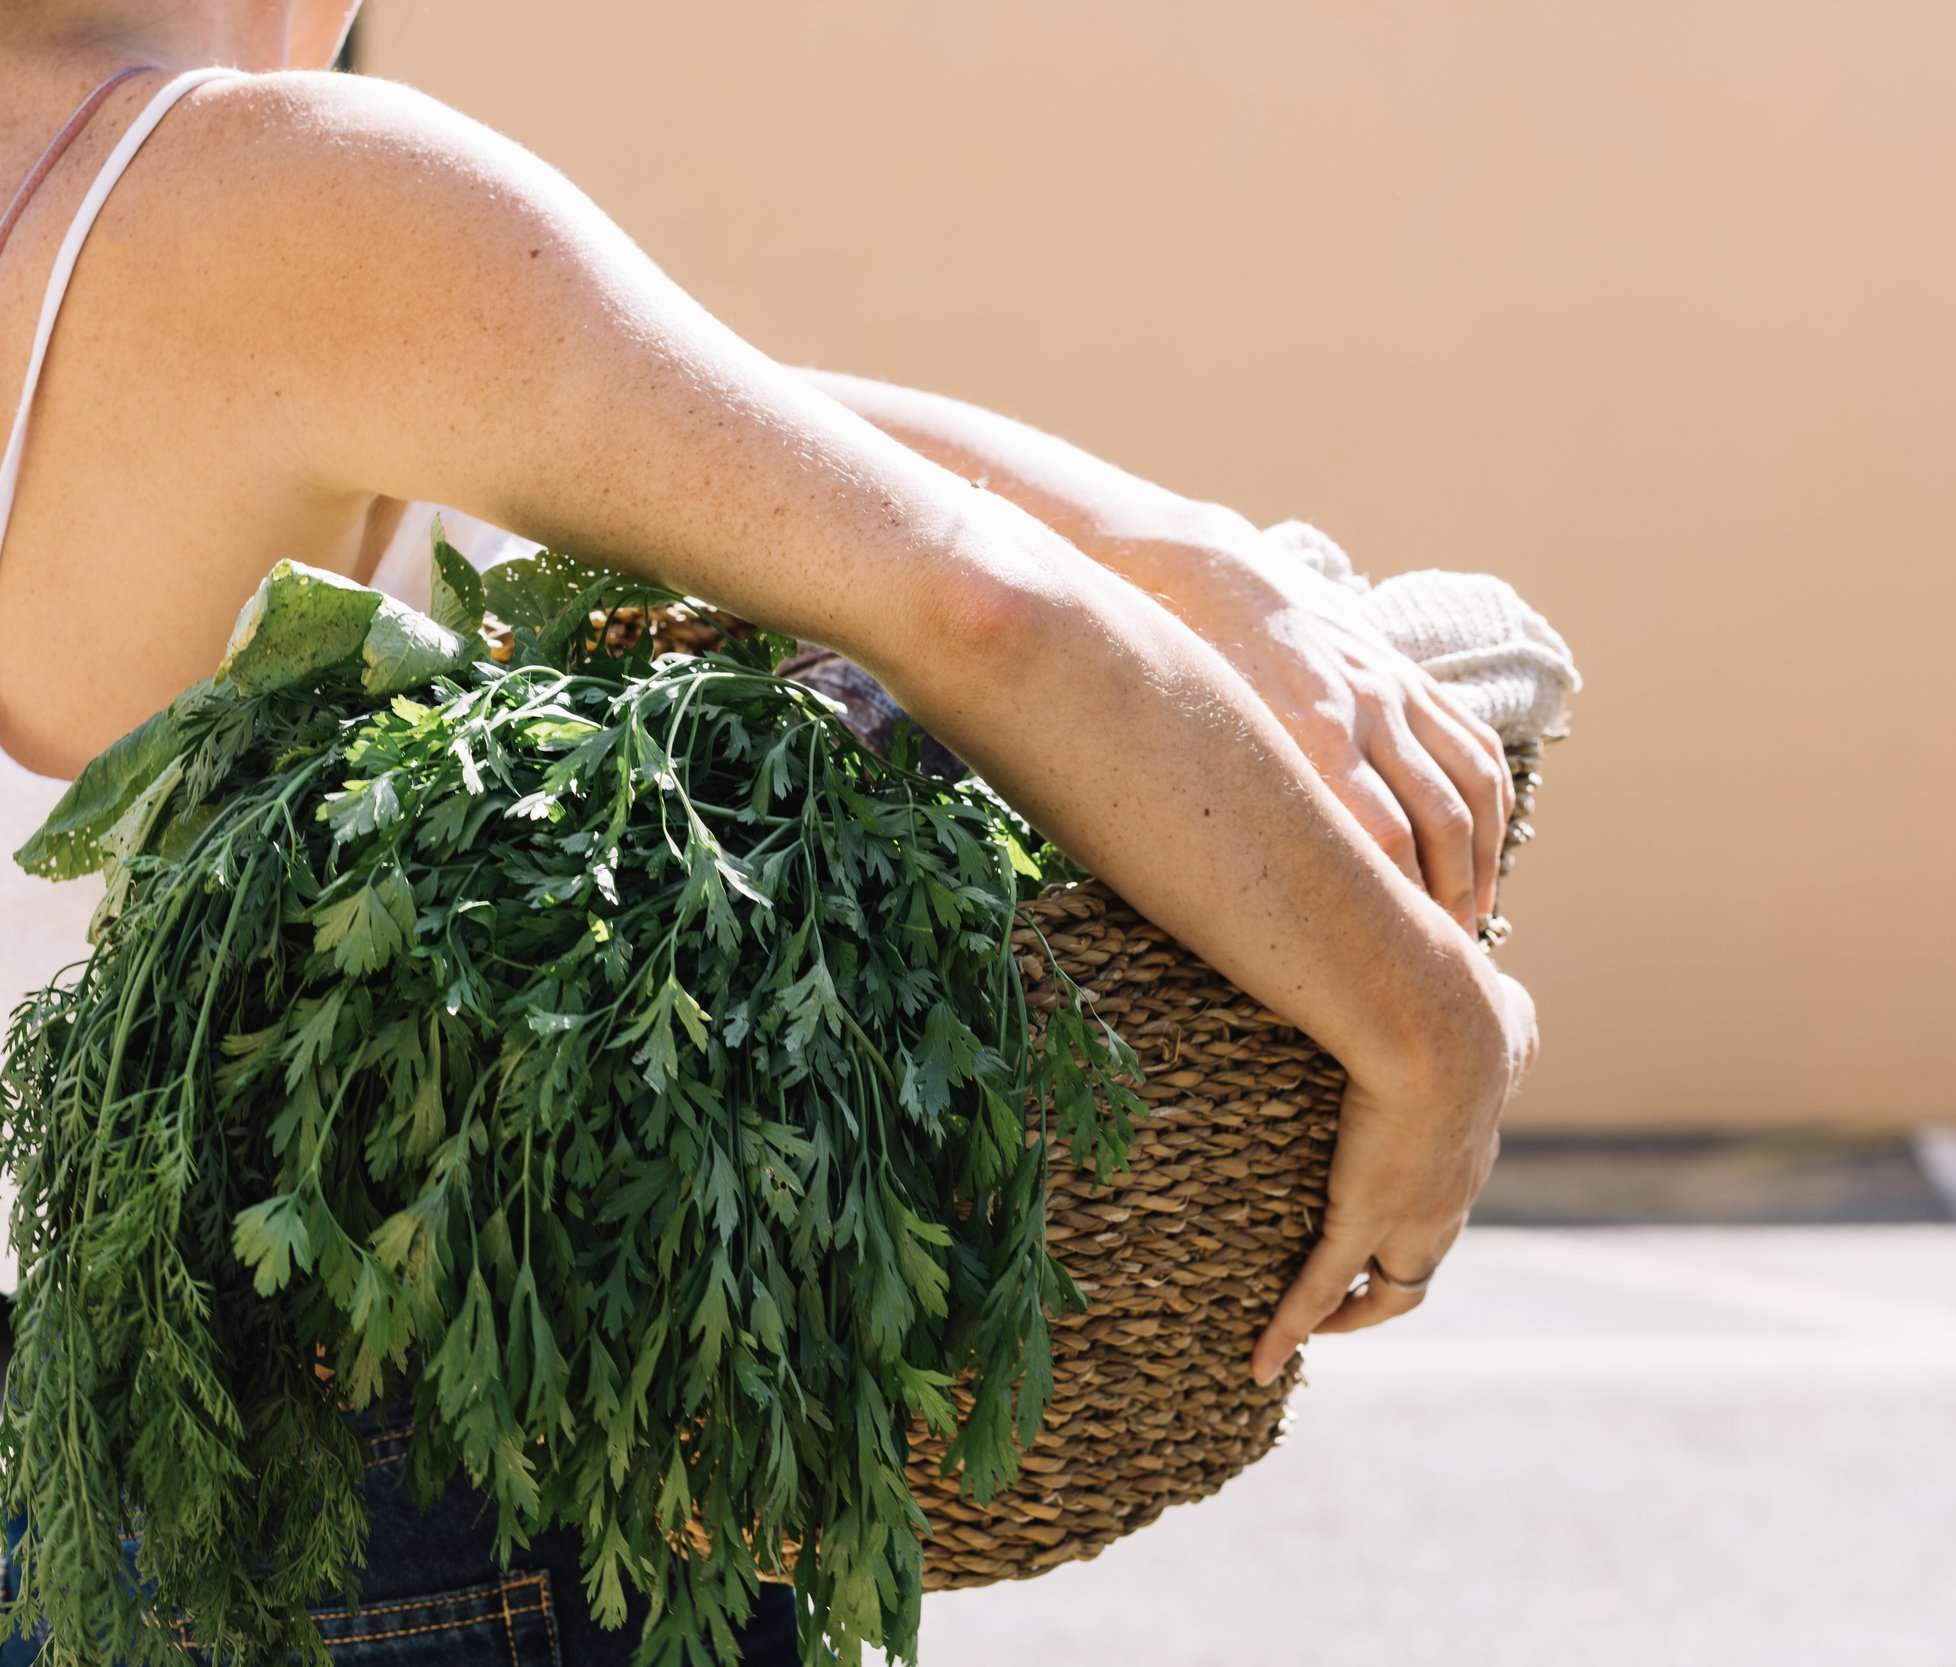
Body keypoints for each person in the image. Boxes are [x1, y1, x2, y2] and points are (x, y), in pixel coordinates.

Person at [0, 2, 1539, 1661]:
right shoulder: (269, 194)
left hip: (57, 1463)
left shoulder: (238, 234)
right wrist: (1433, 1028)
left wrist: (1174, 546)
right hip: (394, 1480)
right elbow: (970, 605)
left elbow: (669, 413)